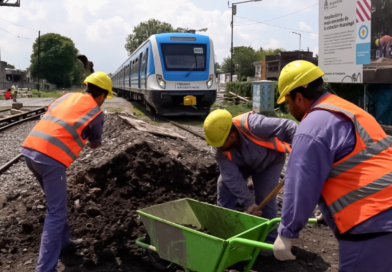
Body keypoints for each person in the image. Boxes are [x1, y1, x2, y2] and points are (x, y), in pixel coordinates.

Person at [273, 60, 392, 271]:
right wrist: (329, 208)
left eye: (287, 102)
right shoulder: (349, 110)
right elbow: (359, 166)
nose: (289, 108)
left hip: (371, 224)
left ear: (298, 97)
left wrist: (286, 233)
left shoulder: (311, 126)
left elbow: (300, 183)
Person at [21, 72, 113, 272]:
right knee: (56, 212)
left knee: (57, 205)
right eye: (105, 98)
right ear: (102, 95)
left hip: (30, 151)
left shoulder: (65, 97)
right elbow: (95, 144)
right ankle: (45, 269)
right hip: (50, 160)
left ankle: (64, 243)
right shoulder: (96, 112)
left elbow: (55, 119)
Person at [203, 109, 297, 242]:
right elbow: (232, 177)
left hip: (269, 162)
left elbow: (290, 126)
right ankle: (223, 231)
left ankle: (270, 241)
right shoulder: (218, 147)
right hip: (242, 165)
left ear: (231, 136)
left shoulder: (254, 125)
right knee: (224, 185)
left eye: (220, 144)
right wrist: (248, 203)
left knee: (265, 197)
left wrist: (299, 154)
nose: (218, 147)